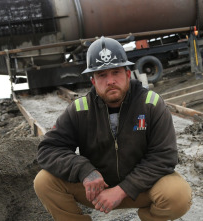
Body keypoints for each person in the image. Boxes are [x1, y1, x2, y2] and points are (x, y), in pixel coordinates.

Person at [33, 36, 192, 221]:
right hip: (96, 190)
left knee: (178, 195)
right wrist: (85, 171)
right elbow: (48, 149)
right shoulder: (79, 109)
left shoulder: (151, 104)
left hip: (140, 190)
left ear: (127, 74)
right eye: (102, 75)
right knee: (44, 182)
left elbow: (164, 157)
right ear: (93, 81)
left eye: (115, 72)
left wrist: (122, 190)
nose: (110, 81)